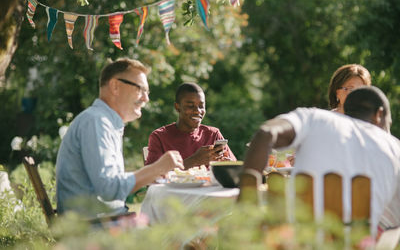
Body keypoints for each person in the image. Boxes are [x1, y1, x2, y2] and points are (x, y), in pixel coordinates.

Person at [239, 86, 400, 236]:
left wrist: (246, 203)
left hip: (297, 242)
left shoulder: (315, 118)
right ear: (379, 114)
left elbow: (266, 133)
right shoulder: (394, 147)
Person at [56, 58, 184, 218]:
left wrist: (150, 175)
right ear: (115, 86)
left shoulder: (103, 121)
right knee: (180, 226)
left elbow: (108, 184)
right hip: (95, 230)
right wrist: (156, 168)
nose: (146, 98)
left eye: (147, 92)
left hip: (104, 222)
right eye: (140, 89)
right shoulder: (97, 122)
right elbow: (109, 188)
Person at [145, 82, 236, 169]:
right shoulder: (159, 137)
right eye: (190, 106)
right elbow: (151, 176)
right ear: (177, 107)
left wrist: (227, 166)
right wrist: (194, 160)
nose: (197, 111)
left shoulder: (213, 134)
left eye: (201, 106)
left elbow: (234, 168)